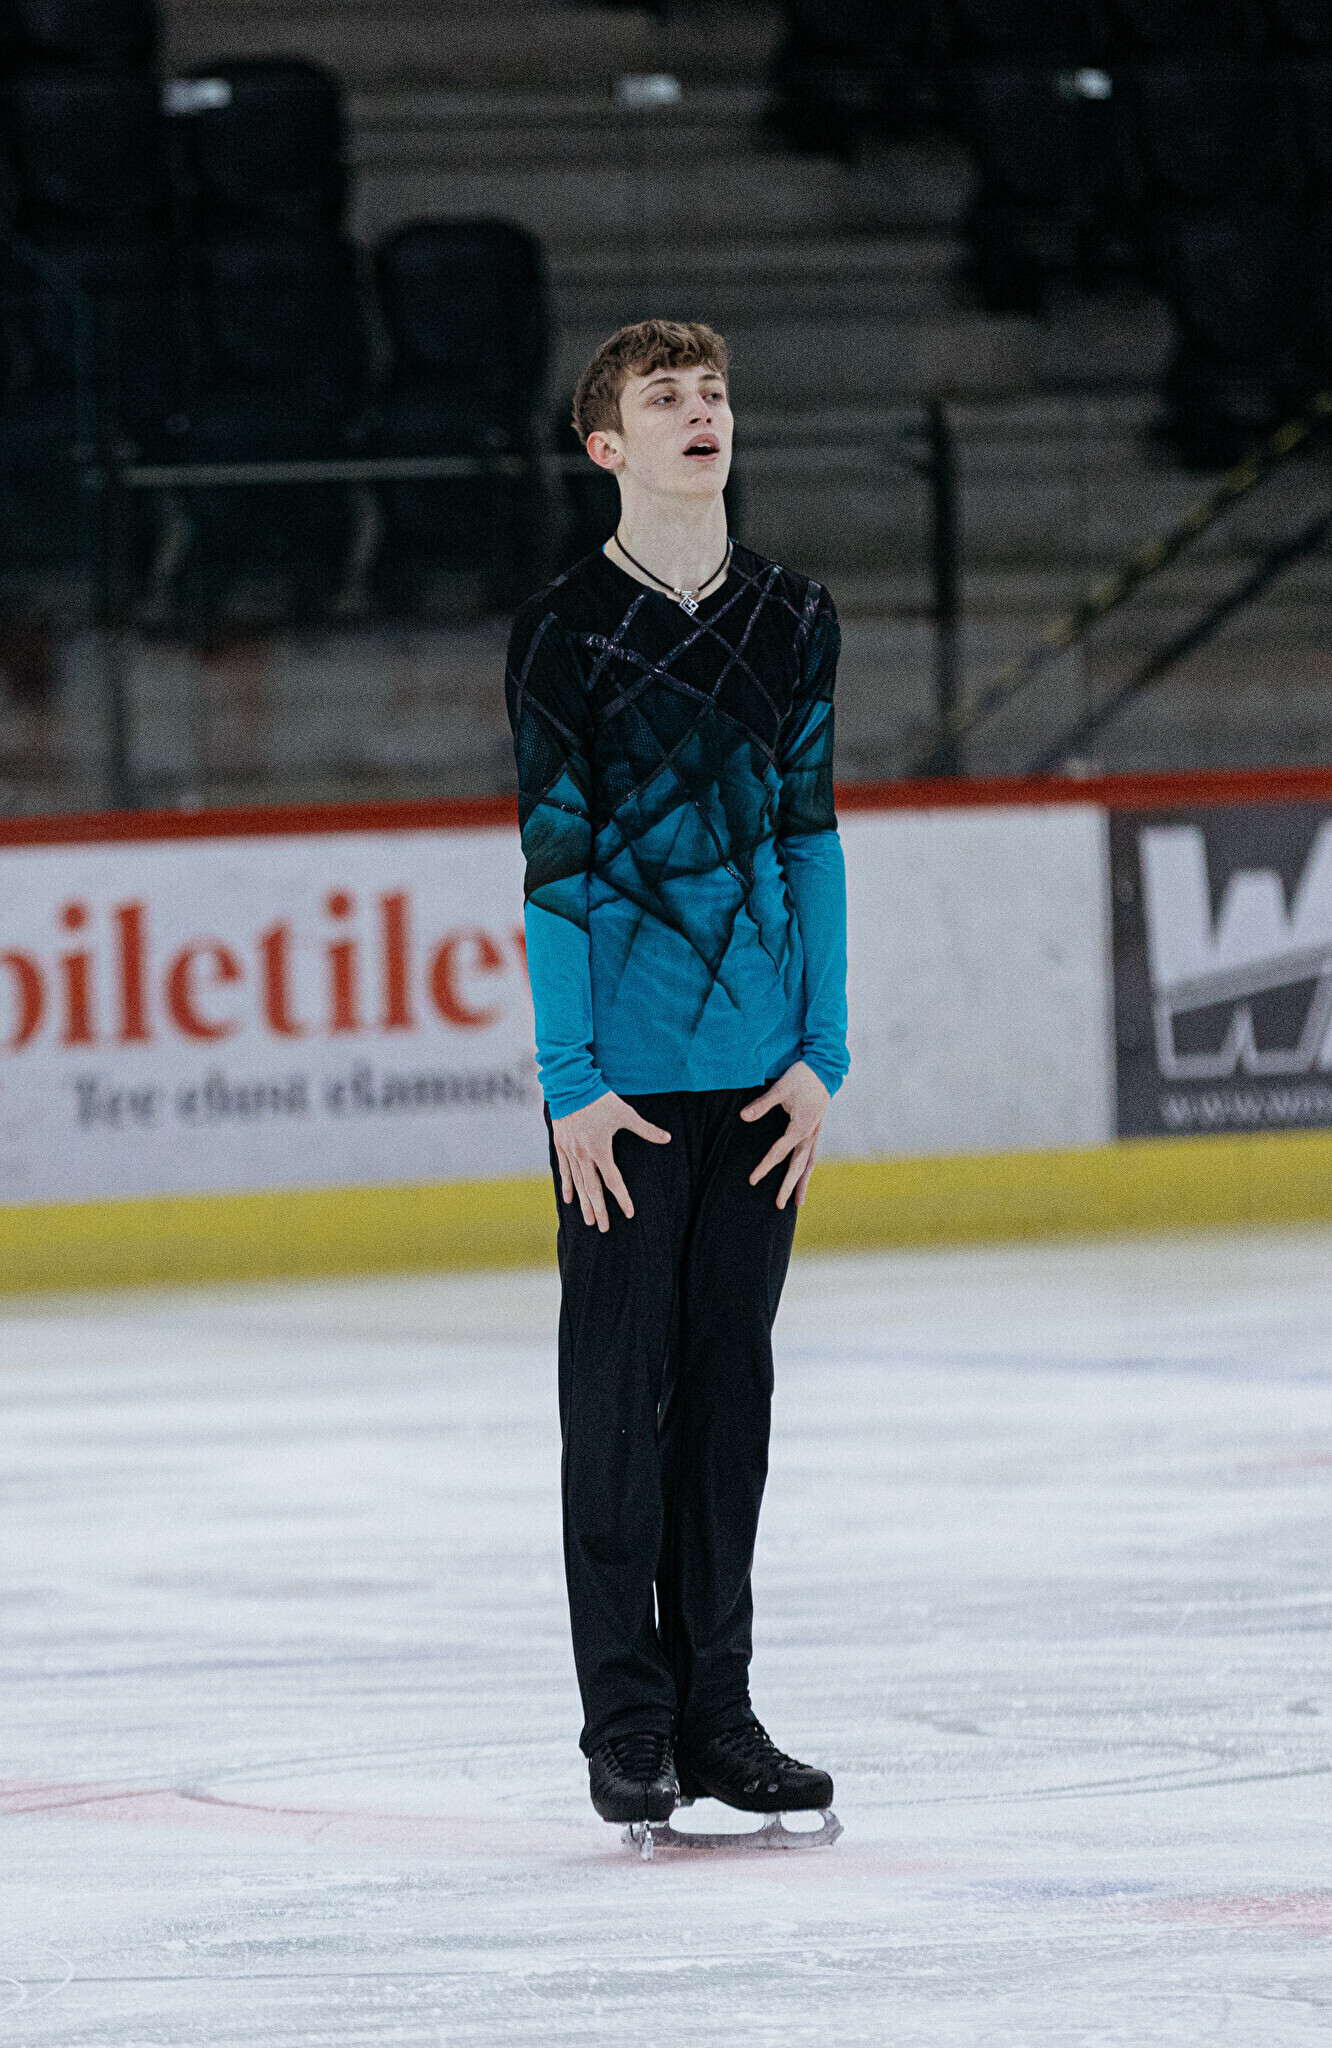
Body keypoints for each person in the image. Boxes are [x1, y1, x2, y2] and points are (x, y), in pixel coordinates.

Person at [507, 319, 849, 1833]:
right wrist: (569, 1081)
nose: (700, 413)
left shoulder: (795, 616)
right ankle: (628, 1725)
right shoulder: (563, 630)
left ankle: (720, 1714)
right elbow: (556, 867)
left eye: (713, 392)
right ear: (608, 447)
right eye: (666, 398)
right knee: (615, 1404)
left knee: (728, 1401)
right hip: (622, 1099)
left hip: (762, 1087)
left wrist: (823, 1053)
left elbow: (809, 838)